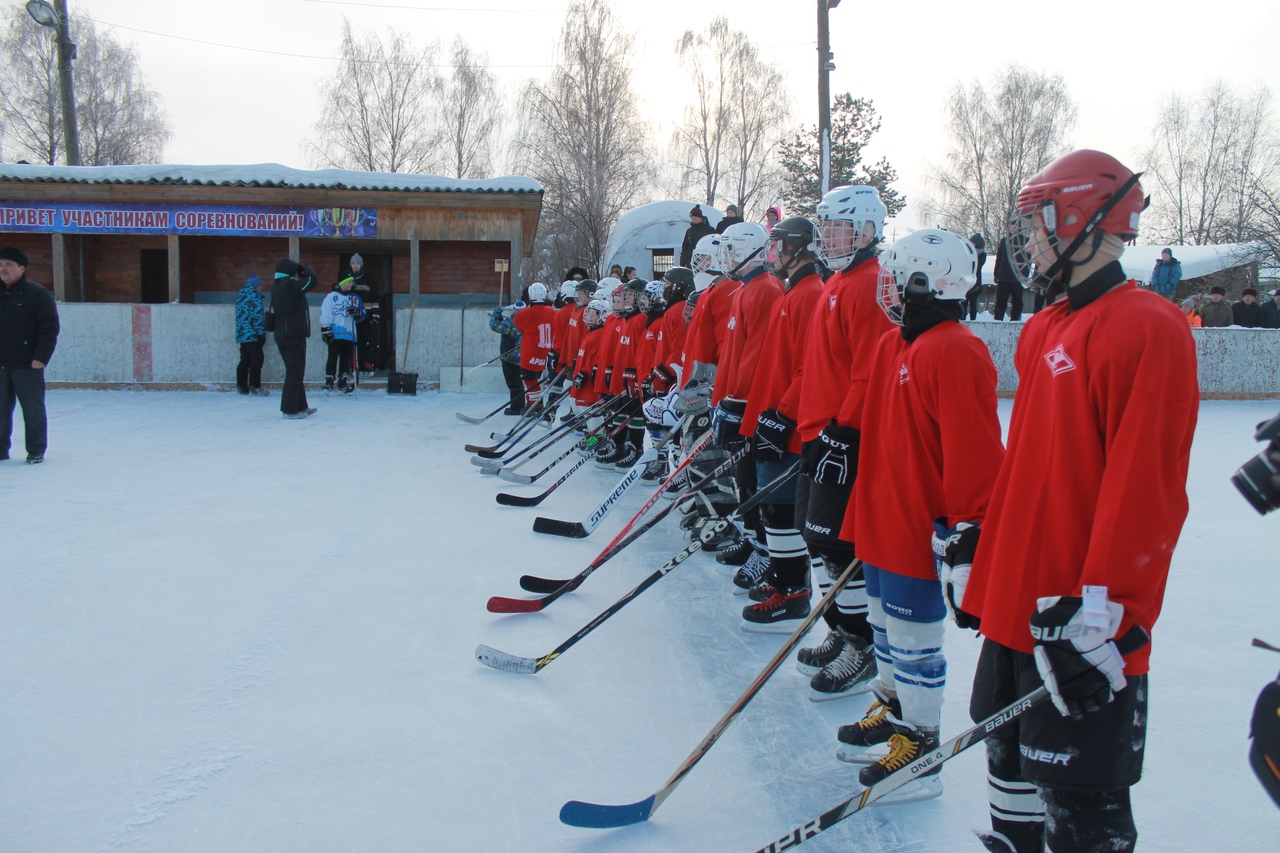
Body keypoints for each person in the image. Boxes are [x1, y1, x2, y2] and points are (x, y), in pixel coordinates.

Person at [960, 150, 1198, 853]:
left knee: (1082, 811)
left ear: (1084, 219)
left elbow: (1146, 492)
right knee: (1008, 773)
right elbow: (1033, 464)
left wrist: (1106, 613)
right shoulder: (1043, 328)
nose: (1029, 242)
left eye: (1038, 225)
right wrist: (984, 545)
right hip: (1016, 607)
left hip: (1076, 621)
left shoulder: (1147, 328)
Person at [837, 228, 1003, 803]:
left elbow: (975, 453)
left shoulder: (956, 349)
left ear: (924, 282)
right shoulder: (894, 344)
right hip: (882, 516)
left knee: (912, 638)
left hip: (917, 528)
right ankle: (893, 707)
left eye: (899, 277)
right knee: (884, 630)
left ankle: (922, 742)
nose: (889, 287)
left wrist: (969, 529)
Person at [786, 185, 895, 698]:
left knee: (837, 544)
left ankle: (862, 645)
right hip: (818, 432)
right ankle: (842, 630)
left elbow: (869, 372)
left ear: (868, 231)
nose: (828, 237)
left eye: (839, 228)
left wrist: (844, 431)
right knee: (819, 541)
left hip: (841, 439)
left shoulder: (868, 283)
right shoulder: (838, 282)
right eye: (825, 227)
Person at [0, 246, 59, 463]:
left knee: (32, 410)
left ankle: (35, 450)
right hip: (1, 364)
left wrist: (41, 357)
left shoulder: (38, 295)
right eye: (0, 265)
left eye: (8, 265)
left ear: (22, 268)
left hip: (28, 364)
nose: (3, 269)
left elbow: (49, 328)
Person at [271, 258, 319, 419]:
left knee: (295, 371)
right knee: (294, 371)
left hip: (282, 334)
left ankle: (300, 406)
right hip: (293, 334)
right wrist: (305, 268)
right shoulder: (289, 286)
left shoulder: (277, 286)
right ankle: (289, 409)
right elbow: (313, 281)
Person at [320, 277, 366, 394]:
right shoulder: (331, 296)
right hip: (335, 333)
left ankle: (342, 381)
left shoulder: (355, 297)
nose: (352, 284)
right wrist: (326, 328)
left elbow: (362, 314)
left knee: (346, 359)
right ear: (343, 283)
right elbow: (326, 312)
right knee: (332, 357)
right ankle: (329, 380)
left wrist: (358, 313)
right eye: (349, 282)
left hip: (349, 333)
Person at [343, 253, 379, 370]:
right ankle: (350, 366)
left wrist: (375, 313)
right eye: (353, 263)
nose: (355, 265)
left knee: (365, 342)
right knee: (349, 342)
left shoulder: (368, 279)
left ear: (361, 265)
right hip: (350, 316)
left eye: (357, 263)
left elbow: (374, 297)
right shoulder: (346, 279)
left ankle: (366, 366)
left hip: (366, 316)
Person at [234, 274, 269, 396]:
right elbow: (257, 317)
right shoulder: (254, 297)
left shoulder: (241, 295)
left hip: (242, 334)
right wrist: (260, 334)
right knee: (257, 360)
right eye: (260, 284)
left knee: (244, 360)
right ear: (256, 285)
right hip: (252, 334)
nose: (261, 287)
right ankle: (255, 386)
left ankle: (241, 386)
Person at [490, 297, 525, 416]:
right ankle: (519, 405)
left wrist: (496, 315)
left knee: (513, 382)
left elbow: (495, 326)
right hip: (522, 357)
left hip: (509, 357)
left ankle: (516, 407)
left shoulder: (511, 322)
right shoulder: (527, 322)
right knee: (519, 382)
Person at [992, 236, 1024, 321]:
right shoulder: (1004, 241)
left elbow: (1027, 258)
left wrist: (1024, 275)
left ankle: (1015, 320)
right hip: (1003, 277)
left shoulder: (1023, 240)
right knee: (1000, 301)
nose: (1013, 228)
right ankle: (998, 320)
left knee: (1017, 301)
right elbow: (999, 257)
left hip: (1017, 277)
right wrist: (996, 273)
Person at [964, 233, 986, 320]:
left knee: (973, 303)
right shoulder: (966, 253)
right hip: (966, 281)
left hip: (975, 282)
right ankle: (962, 320)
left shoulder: (982, 255)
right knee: (964, 303)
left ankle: (973, 320)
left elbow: (977, 266)